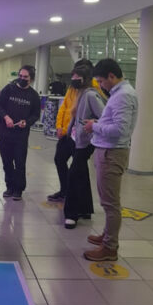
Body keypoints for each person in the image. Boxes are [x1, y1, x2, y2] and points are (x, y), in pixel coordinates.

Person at [83, 58, 138, 261]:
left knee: (110, 203)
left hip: (112, 153)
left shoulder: (123, 96)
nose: (100, 85)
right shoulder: (120, 93)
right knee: (108, 200)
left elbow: (120, 130)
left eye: (101, 81)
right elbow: (115, 122)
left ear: (111, 76)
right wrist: (99, 122)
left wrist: (94, 126)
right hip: (108, 151)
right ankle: (107, 235)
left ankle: (109, 247)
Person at [48, 59, 101, 203]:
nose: (74, 77)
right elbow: (64, 107)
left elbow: (98, 113)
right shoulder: (72, 87)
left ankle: (79, 200)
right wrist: (59, 126)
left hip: (82, 135)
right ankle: (65, 191)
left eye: (78, 73)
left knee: (78, 169)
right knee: (59, 159)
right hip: (67, 132)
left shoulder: (93, 88)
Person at [63, 64, 106, 229]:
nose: (74, 80)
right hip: (77, 140)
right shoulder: (80, 93)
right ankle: (85, 209)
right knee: (80, 174)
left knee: (73, 175)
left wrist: (92, 123)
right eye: (73, 76)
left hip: (86, 142)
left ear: (86, 79)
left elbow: (104, 117)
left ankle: (71, 214)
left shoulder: (91, 95)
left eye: (77, 77)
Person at [0, 65, 41, 201]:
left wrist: (27, 122)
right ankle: (9, 186)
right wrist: (6, 117)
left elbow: (36, 114)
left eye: (25, 77)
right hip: (5, 133)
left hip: (21, 135)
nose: (21, 79)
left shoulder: (34, 96)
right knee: (7, 162)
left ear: (31, 79)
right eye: (20, 76)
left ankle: (19, 189)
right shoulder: (8, 89)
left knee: (20, 163)